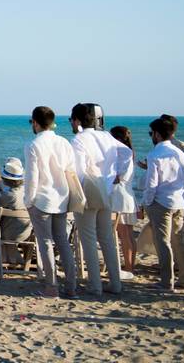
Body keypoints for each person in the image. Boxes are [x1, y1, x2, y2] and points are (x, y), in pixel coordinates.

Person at [69, 103, 125, 296]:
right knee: (107, 239)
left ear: (77, 121)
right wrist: (118, 175)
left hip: (89, 192)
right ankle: (115, 283)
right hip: (106, 190)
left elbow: (78, 170)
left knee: (89, 239)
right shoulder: (107, 136)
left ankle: (95, 284)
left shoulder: (79, 139)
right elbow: (126, 153)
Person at [23, 106, 77, 298]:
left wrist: (28, 201)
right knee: (62, 241)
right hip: (61, 197)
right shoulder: (63, 142)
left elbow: (32, 177)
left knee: (45, 242)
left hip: (42, 199)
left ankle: (51, 286)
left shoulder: (33, 145)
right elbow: (71, 170)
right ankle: (71, 286)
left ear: (35, 122)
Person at [143, 117, 184, 291]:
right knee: (180, 241)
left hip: (161, 202)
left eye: (151, 133)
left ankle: (166, 280)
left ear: (156, 134)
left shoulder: (155, 154)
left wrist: (146, 203)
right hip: (179, 200)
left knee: (163, 242)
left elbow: (151, 185)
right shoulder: (179, 153)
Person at [110, 126, 138, 273]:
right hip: (128, 195)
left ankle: (128, 267)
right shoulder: (129, 152)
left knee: (124, 235)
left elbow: (118, 178)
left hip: (120, 197)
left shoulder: (123, 153)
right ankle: (130, 265)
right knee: (129, 234)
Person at [0, 157, 32, 265]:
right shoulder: (28, 191)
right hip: (27, 231)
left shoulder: (8, 195)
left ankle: (10, 261)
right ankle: (14, 261)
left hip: (9, 233)